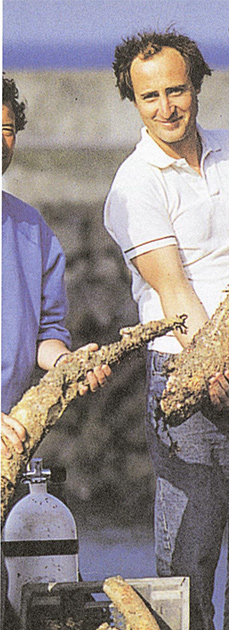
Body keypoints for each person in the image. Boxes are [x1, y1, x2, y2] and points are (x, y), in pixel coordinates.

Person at [103, 30, 229, 630]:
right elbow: (174, 292)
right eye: (150, 97)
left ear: (196, 87)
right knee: (189, 552)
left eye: (177, 90)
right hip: (188, 368)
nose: (166, 107)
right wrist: (216, 363)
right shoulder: (134, 183)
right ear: (133, 103)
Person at [2, 74, 111, 457]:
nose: (0, 142)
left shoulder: (33, 228)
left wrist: (67, 363)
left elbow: (45, 333)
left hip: (9, 438)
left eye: (7, 129)